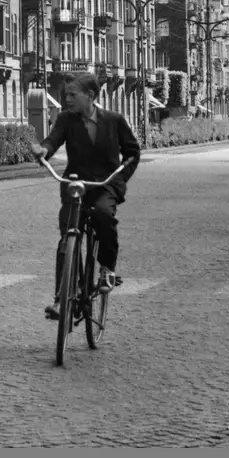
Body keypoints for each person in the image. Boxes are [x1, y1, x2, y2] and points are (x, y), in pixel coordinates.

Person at [30, 70, 141, 320]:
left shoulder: (114, 120)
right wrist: (43, 151)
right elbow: (52, 140)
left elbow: (133, 152)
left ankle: (106, 269)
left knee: (103, 216)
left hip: (105, 184)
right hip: (75, 185)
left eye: (72, 94)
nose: (67, 99)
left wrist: (120, 178)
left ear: (90, 95)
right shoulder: (66, 120)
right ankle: (62, 297)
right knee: (67, 236)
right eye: (66, 94)